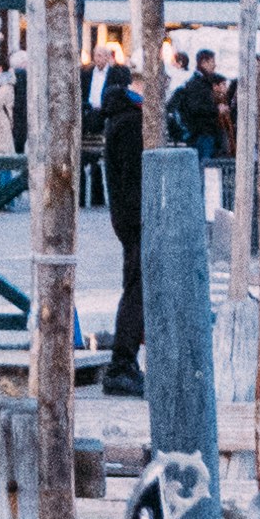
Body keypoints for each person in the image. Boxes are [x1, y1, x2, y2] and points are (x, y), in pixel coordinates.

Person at [91, 43, 153, 390]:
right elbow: (134, 178)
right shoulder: (132, 122)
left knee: (138, 285)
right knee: (137, 286)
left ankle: (127, 359)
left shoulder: (124, 117)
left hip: (129, 215)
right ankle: (122, 362)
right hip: (136, 216)